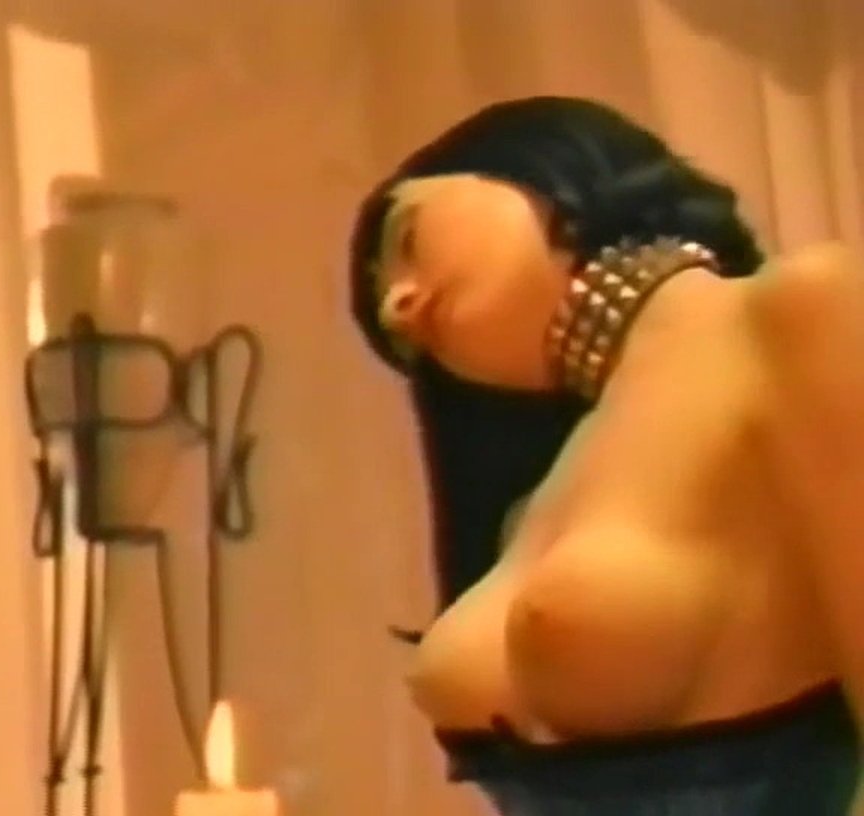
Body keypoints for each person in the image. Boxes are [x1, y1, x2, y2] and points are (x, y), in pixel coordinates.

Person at [348, 96, 863, 815]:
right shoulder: (537, 502)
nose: (398, 306)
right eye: (397, 337)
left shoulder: (796, 316)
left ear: (535, 162)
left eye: (408, 239)